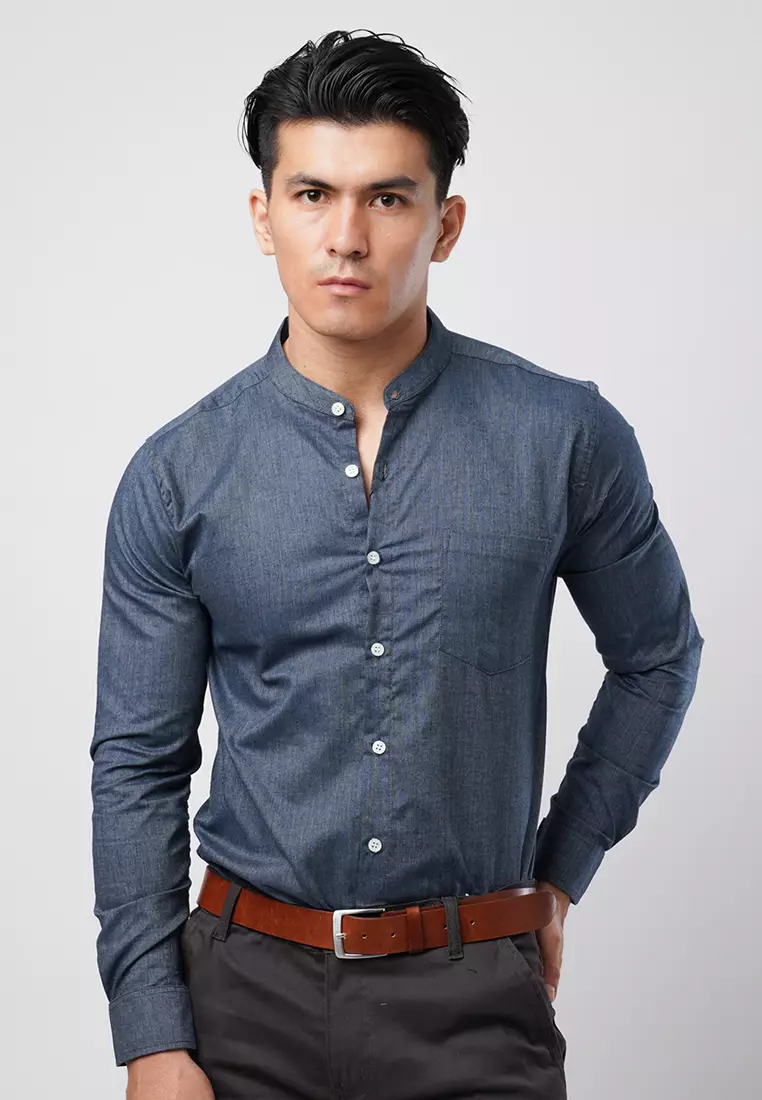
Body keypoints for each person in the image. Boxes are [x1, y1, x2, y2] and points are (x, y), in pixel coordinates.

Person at [89, 27, 704, 1100]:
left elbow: (658, 655)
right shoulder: (178, 474)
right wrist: (151, 1033)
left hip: (475, 998)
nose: (346, 237)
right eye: (312, 194)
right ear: (263, 215)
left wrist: (559, 873)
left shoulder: (563, 438)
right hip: (241, 1003)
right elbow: (138, 764)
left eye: (387, 198)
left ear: (444, 223)